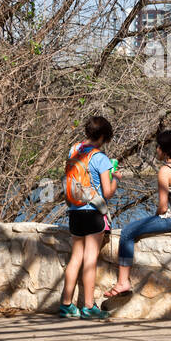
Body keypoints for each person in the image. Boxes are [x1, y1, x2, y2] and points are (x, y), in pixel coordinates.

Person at [104, 129, 171, 301]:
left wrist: (154, 217)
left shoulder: (166, 170)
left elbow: (163, 208)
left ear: (164, 149)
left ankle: (123, 282)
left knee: (127, 232)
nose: (156, 149)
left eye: (158, 146)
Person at [59, 116, 117, 320]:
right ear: (102, 137)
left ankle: (66, 305)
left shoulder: (73, 150)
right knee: (90, 260)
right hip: (93, 212)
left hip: (74, 211)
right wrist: (115, 178)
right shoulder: (100, 158)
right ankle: (89, 307)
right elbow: (107, 192)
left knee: (75, 258)